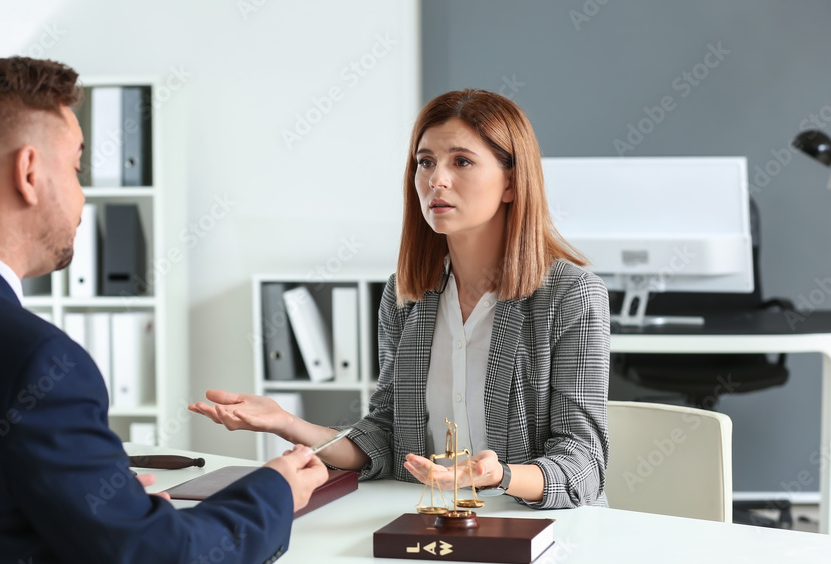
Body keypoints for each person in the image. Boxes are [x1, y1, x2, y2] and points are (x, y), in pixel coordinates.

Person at [0, 57, 327, 564]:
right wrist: (273, 491)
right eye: (76, 168)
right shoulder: (36, 361)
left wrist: (94, 496)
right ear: (29, 172)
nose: (82, 200)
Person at [190, 89, 610, 509]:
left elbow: (584, 463)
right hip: (430, 516)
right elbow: (386, 437)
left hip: (542, 530)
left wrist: (498, 476)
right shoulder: (407, 294)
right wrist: (286, 423)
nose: (436, 179)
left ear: (512, 183)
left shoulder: (570, 296)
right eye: (426, 161)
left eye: (461, 161)